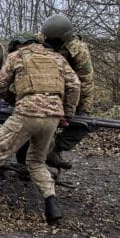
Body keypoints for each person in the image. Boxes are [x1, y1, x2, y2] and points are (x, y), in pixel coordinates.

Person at [0, 32, 80, 225]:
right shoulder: (57, 57)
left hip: (27, 115)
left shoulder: (17, 56)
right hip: (53, 117)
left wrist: (13, 100)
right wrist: (67, 114)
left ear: (17, 45)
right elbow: (75, 85)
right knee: (37, 162)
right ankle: (52, 205)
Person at [40, 13, 94, 169]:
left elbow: (85, 81)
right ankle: (28, 161)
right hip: (46, 87)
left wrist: (70, 108)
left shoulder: (78, 50)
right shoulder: (42, 38)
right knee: (34, 119)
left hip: (73, 90)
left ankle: (55, 149)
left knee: (84, 123)